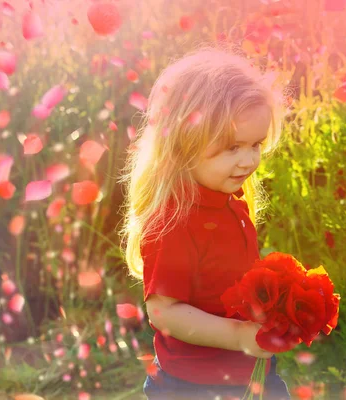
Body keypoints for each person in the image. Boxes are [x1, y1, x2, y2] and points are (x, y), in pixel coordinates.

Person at [118, 43, 295, 399]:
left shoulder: (232, 201)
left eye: (256, 145)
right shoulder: (174, 221)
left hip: (252, 373)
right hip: (195, 385)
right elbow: (165, 312)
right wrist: (237, 336)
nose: (248, 161)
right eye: (232, 148)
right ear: (185, 141)